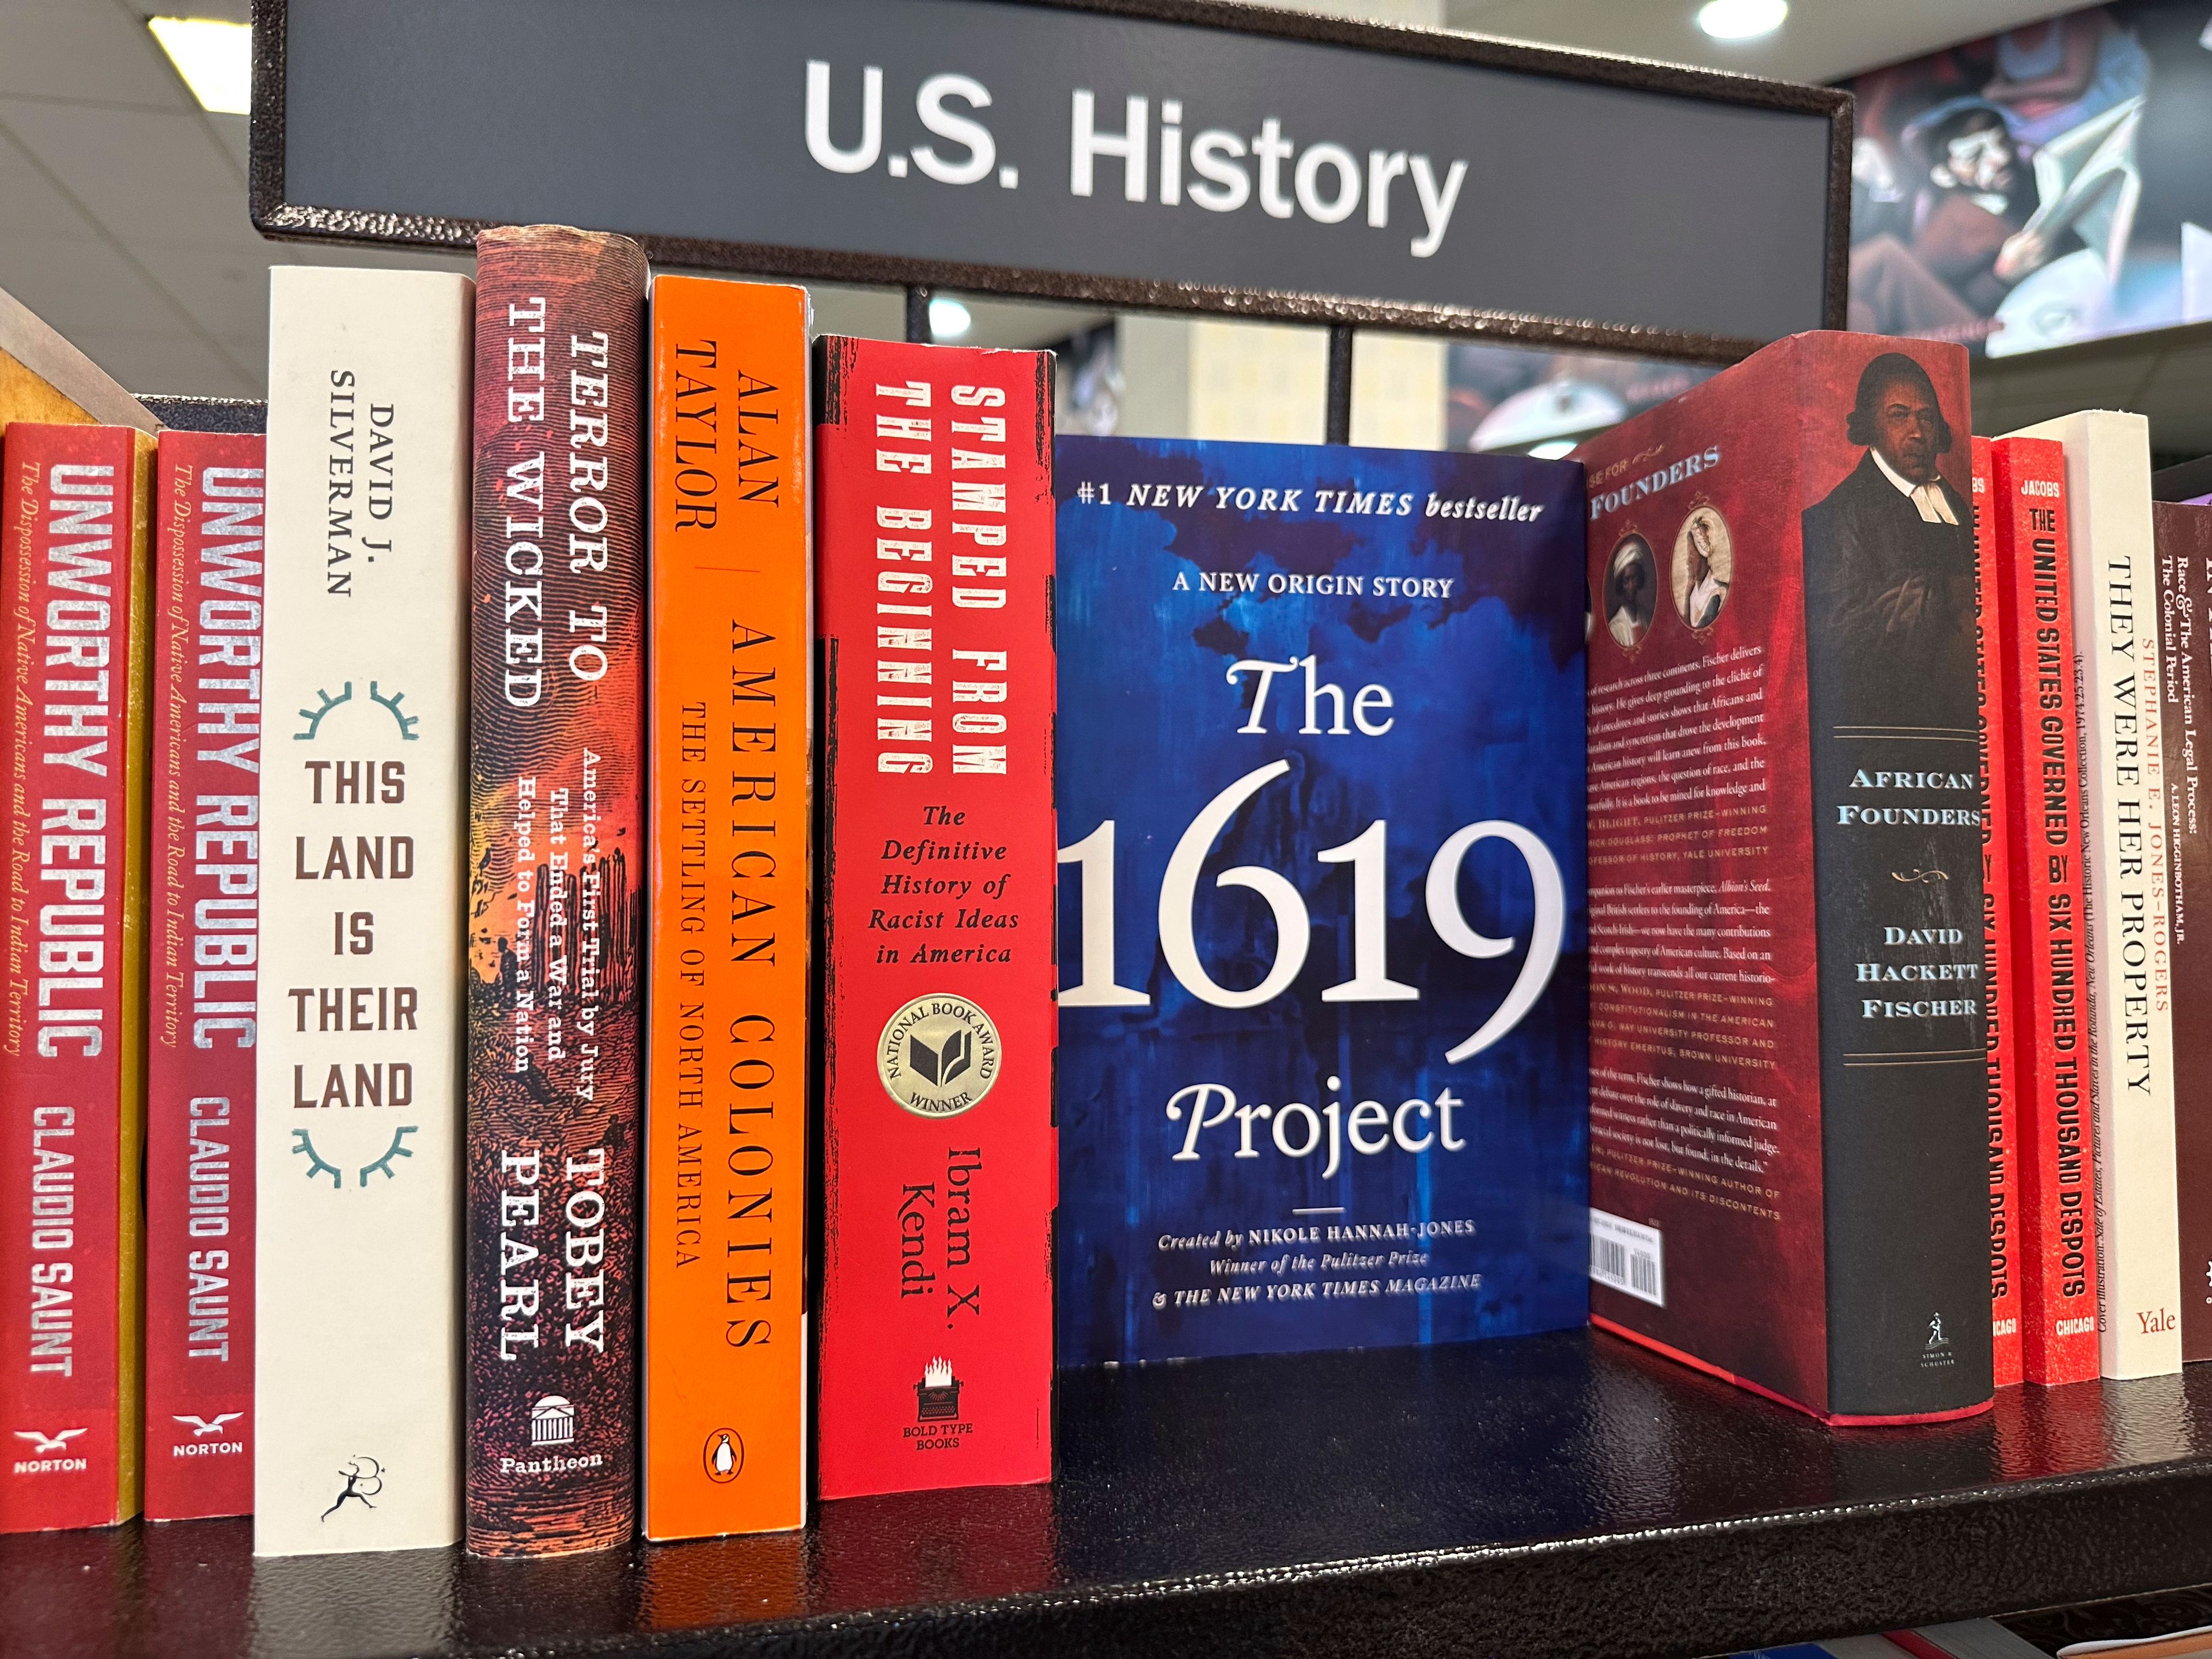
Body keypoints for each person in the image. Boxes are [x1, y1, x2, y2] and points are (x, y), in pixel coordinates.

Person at [1801, 353, 1976, 717]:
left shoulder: (1960, 503)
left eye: (1925, 417)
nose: (1916, 432)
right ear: (1871, 425)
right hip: (1892, 721)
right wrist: (1945, 594)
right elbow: (1841, 631)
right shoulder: (1837, 515)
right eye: (1899, 416)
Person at [1682, 514, 1729, 629]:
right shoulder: (1693, 592)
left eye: (1692, 556)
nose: (1688, 562)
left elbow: (1694, 632)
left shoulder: (1717, 592)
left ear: (1703, 557)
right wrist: (1688, 593)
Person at [1606, 542, 1654, 647]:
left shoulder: (1647, 617)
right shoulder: (1615, 628)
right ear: (1621, 584)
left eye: (1634, 578)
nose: (1631, 586)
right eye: (1627, 580)